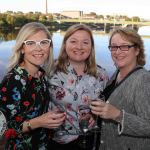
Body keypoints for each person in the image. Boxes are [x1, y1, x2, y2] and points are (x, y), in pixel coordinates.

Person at [0, 22, 65, 150]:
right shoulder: (13, 81)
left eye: (44, 42)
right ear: (22, 48)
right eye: (30, 43)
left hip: (42, 144)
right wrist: (39, 122)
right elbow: (4, 129)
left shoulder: (41, 75)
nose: (39, 48)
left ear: (49, 47)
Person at [48, 24, 108, 150]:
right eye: (73, 41)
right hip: (59, 141)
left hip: (90, 140)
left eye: (85, 42)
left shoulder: (101, 75)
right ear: (65, 44)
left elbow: (104, 103)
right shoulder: (49, 70)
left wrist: (94, 115)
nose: (79, 47)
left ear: (91, 47)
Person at [90, 27, 150, 150]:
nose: (117, 52)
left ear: (137, 50)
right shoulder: (118, 72)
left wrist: (118, 115)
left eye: (124, 46)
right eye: (114, 47)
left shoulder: (143, 79)